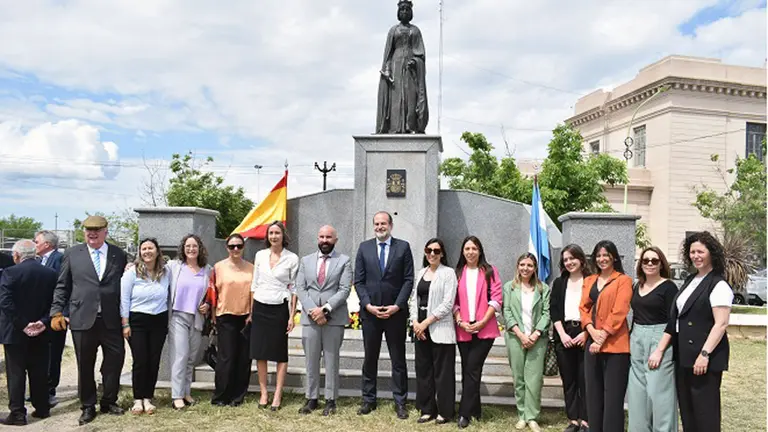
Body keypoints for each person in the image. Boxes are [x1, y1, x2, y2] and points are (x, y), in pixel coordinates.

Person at [50, 215, 128, 426]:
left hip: (111, 319)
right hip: (82, 318)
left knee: (115, 359)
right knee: (85, 364)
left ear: (105, 231)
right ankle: (88, 405)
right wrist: (56, 312)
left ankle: (109, 400)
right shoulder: (72, 254)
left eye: (97, 230)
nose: (92, 234)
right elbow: (62, 285)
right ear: (83, 232)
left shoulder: (118, 254)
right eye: (88, 230)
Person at [668, 232, 733, 432]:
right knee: (688, 411)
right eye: (692, 252)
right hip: (684, 356)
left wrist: (704, 354)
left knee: (705, 412)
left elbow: (720, 324)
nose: (696, 256)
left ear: (711, 253)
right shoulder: (691, 279)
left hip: (704, 357)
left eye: (700, 251)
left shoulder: (718, 284)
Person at [354, 211, 414, 419]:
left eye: (383, 223)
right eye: (377, 224)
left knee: (398, 360)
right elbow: (359, 281)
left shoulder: (403, 247)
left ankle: (400, 402)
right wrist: (367, 305)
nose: (380, 227)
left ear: (391, 225)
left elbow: (408, 279)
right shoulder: (364, 248)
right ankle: (368, 400)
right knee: (370, 357)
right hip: (370, 314)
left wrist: (397, 306)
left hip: (395, 314)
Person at [295, 225, 352, 416]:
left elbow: (344, 289)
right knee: (311, 359)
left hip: (333, 318)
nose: (325, 240)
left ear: (335, 240)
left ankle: (330, 400)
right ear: (317, 238)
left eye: (329, 237)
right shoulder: (305, 260)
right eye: (321, 237)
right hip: (310, 318)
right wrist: (313, 310)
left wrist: (325, 309)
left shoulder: (344, 261)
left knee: (331, 359)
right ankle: (311, 398)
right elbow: (300, 288)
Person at [0, 240, 57, 425]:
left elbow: (6, 302)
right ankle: (42, 408)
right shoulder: (50, 273)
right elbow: (55, 302)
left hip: (15, 331)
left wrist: (23, 324)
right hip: (41, 330)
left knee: (16, 373)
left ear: (16, 255)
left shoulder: (10, 272)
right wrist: (43, 322)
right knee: (39, 370)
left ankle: (17, 414)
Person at [579, 240, 632, 432]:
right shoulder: (589, 280)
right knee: (593, 396)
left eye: (606, 255)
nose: (602, 259)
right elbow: (583, 308)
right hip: (592, 345)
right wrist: (591, 331)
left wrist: (601, 337)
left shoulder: (623, 280)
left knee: (613, 399)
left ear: (614, 257)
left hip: (616, 347)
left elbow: (620, 311)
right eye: (599, 255)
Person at [453, 235, 502, 429]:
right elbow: (453, 301)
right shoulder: (458, 273)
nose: (470, 252)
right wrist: (460, 320)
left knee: (472, 369)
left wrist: (482, 322)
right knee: (469, 369)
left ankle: (464, 414)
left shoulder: (490, 271)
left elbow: (496, 299)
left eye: (474, 248)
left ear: (480, 251)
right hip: (463, 328)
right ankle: (476, 409)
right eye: (467, 249)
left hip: (484, 329)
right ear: (462, 252)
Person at [627, 246, 678, 432]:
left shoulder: (669, 287)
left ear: (661, 264)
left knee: (659, 395)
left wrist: (659, 350)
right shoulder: (636, 286)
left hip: (660, 338)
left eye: (654, 261)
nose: (649, 263)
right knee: (637, 394)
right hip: (637, 338)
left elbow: (673, 321)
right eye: (645, 260)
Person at [249, 221, 299, 411]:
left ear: (283, 235)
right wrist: (252, 312)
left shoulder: (292, 258)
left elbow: (294, 289)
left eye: (277, 233)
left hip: (279, 307)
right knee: (260, 352)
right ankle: (264, 393)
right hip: (261, 306)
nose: (274, 236)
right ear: (267, 236)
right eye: (271, 233)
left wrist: (291, 316)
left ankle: (278, 394)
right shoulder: (260, 255)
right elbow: (254, 284)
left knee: (279, 353)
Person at [410, 238, 457, 425]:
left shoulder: (448, 273)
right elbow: (414, 299)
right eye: (429, 250)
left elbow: (447, 303)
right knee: (424, 371)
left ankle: (444, 411)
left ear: (442, 254)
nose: (432, 254)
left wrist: (426, 322)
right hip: (420, 330)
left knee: (442, 373)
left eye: (436, 251)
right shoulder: (421, 272)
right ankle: (427, 409)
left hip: (439, 328)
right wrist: (415, 322)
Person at [120, 238, 170, 415]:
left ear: (157, 251)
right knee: (140, 360)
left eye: (150, 248)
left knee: (153, 360)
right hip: (137, 320)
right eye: (144, 249)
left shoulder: (166, 271)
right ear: (140, 252)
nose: (147, 251)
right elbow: (124, 298)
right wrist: (125, 324)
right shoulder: (132, 272)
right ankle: (138, 399)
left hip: (159, 319)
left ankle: (148, 398)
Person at [503, 253, 550, 432]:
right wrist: (520, 334)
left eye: (529, 265)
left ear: (535, 268)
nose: (525, 268)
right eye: (522, 264)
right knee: (519, 378)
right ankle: (522, 414)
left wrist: (536, 333)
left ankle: (532, 416)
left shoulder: (542, 288)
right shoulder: (510, 287)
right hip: (516, 338)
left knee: (535, 379)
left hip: (537, 339)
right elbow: (506, 311)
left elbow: (547, 313)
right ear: (517, 266)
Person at [207, 233, 254, 407]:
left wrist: (252, 314)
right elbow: (213, 293)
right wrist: (213, 315)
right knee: (226, 358)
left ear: (243, 247)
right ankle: (221, 395)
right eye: (232, 246)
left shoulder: (251, 268)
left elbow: (254, 293)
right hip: (225, 315)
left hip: (246, 316)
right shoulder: (218, 268)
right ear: (227, 248)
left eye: (239, 246)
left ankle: (238, 396)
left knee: (243, 358)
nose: (235, 249)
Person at [166, 234, 212, 410]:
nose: (191, 249)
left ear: (199, 249)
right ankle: (176, 395)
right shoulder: (174, 267)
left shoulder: (207, 269)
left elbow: (211, 294)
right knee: (180, 356)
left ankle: (186, 392)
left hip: (197, 318)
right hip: (178, 317)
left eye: (194, 246)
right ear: (183, 249)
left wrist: (207, 305)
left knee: (191, 358)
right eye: (188, 246)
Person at [549, 245, 590, 432]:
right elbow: (554, 310)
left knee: (585, 379)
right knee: (569, 380)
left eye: (572, 258)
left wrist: (586, 333)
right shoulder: (559, 283)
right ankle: (573, 419)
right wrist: (562, 334)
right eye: (565, 260)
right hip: (564, 333)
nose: (569, 262)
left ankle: (586, 420)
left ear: (581, 259)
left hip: (585, 332)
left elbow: (597, 310)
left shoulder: (591, 281)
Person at [375, 0, 429, 134]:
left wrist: (416, 62)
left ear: (411, 12)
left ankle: (411, 126)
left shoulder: (415, 31)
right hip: (395, 65)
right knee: (396, 97)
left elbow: (421, 53)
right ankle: (395, 127)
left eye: (407, 9)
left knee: (411, 96)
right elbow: (388, 53)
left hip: (411, 68)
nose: (404, 12)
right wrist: (387, 69)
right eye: (402, 9)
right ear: (398, 12)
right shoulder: (393, 30)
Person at [34, 230, 65, 408]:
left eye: (37, 241)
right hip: (41, 315)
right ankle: (40, 389)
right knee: (41, 353)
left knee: (54, 354)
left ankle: (50, 390)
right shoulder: (39, 261)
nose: (34, 244)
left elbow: (63, 286)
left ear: (47, 244)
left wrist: (61, 312)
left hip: (55, 314)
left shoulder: (59, 260)